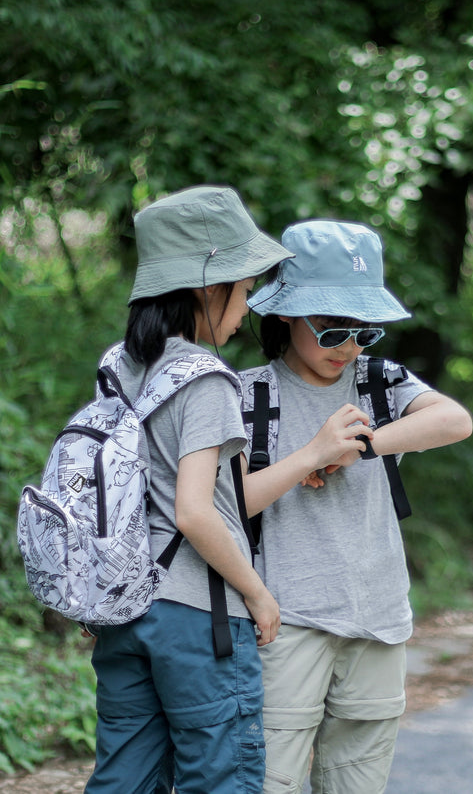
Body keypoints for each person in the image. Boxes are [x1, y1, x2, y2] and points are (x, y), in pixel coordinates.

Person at [241, 219, 473, 794]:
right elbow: (228, 503)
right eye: (329, 328)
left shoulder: (379, 382)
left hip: (378, 616)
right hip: (284, 619)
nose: (347, 346)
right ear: (284, 315)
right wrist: (309, 455)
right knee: (270, 781)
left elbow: (455, 421)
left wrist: (360, 447)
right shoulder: (248, 395)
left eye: (362, 331)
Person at [83, 184, 294, 794]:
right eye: (244, 287)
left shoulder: (117, 366)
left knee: (124, 778)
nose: (246, 303)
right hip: (197, 619)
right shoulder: (205, 381)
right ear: (209, 286)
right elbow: (196, 513)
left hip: (123, 608)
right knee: (219, 775)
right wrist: (257, 593)